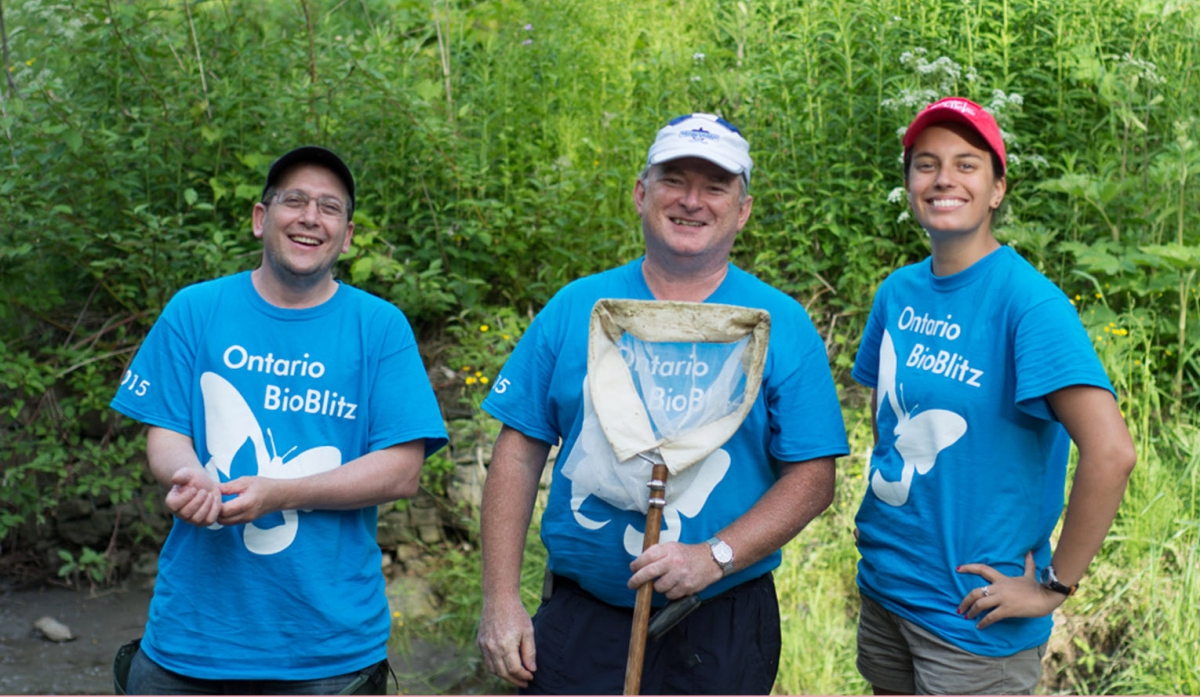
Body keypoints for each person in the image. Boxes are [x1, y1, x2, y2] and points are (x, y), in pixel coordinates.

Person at [475, 113, 850, 695]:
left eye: (715, 186)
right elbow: (518, 454)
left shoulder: (780, 324)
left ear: (742, 209)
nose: (692, 201)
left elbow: (813, 478)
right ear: (641, 192)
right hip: (580, 622)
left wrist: (715, 556)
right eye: (674, 179)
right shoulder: (578, 308)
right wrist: (499, 600)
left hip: (719, 624)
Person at [109, 146, 448, 694]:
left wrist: (280, 493)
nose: (311, 217)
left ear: (348, 234)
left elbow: (402, 471)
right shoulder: (195, 310)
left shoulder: (379, 327)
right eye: (295, 201)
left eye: (330, 207)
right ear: (261, 219)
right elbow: (166, 433)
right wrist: (187, 474)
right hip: (189, 644)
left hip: (328, 655)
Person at [850, 97, 1137, 695]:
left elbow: (1112, 454)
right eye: (926, 164)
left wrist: (1053, 585)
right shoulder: (897, 293)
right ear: (908, 184)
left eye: (967, 163)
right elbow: (886, 420)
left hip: (971, 623)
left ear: (997, 188)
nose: (944, 179)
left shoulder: (1028, 304)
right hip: (886, 589)